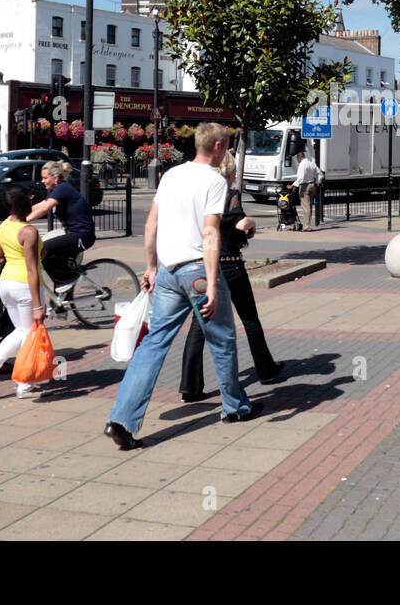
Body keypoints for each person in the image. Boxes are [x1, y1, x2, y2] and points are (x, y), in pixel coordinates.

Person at [105, 122, 256, 450]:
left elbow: (151, 224)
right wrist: (213, 284)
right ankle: (234, 406)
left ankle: (121, 418)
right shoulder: (214, 181)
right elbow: (211, 233)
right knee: (222, 340)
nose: (229, 150)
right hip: (198, 270)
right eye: (227, 145)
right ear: (216, 146)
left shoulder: (171, 175)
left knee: (154, 344)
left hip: (169, 272)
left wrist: (150, 267)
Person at [179, 151, 283, 401]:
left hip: (203, 266)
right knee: (249, 319)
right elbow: (239, 222)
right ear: (229, 172)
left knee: (198, 326)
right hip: (229, 265)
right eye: (234, 171)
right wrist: (251, 223)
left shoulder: (198, 195)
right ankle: (266, 370)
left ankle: (190, 387)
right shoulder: (228, 193)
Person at [0, 188, 46, 399]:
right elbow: (32, 268)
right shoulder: (29, 232)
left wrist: (14, 256)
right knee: (29, 333)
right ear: (26, 205)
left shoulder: (5, 225)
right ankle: (24, 385)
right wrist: (37, 305)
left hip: (6, 283)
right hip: (25, 285)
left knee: (21, 331)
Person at [27, 160, 94, 291]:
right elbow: (40, 205)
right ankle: (62, 303)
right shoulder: (59, 189)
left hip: (82, 236)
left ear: (56, 178)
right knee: (56, 263)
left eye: (45, 178)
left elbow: (45, 208)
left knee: (43, 249)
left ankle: (69, 280)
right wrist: (19, 213)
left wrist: (23, 221)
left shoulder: (63, 188)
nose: (42, 181)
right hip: (73, 233)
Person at [292, 148, 320, 231]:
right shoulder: (312, 163)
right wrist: (317, 181)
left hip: (304, 186)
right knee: (309, 205)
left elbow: (300, 177)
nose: (298, 161)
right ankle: (308, 224)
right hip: (312, 185)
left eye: (297, 159)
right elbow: (319, 173)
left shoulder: (302, 164)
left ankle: (306, 226)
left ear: (299, 157)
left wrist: (293, 185)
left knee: (305, 206)